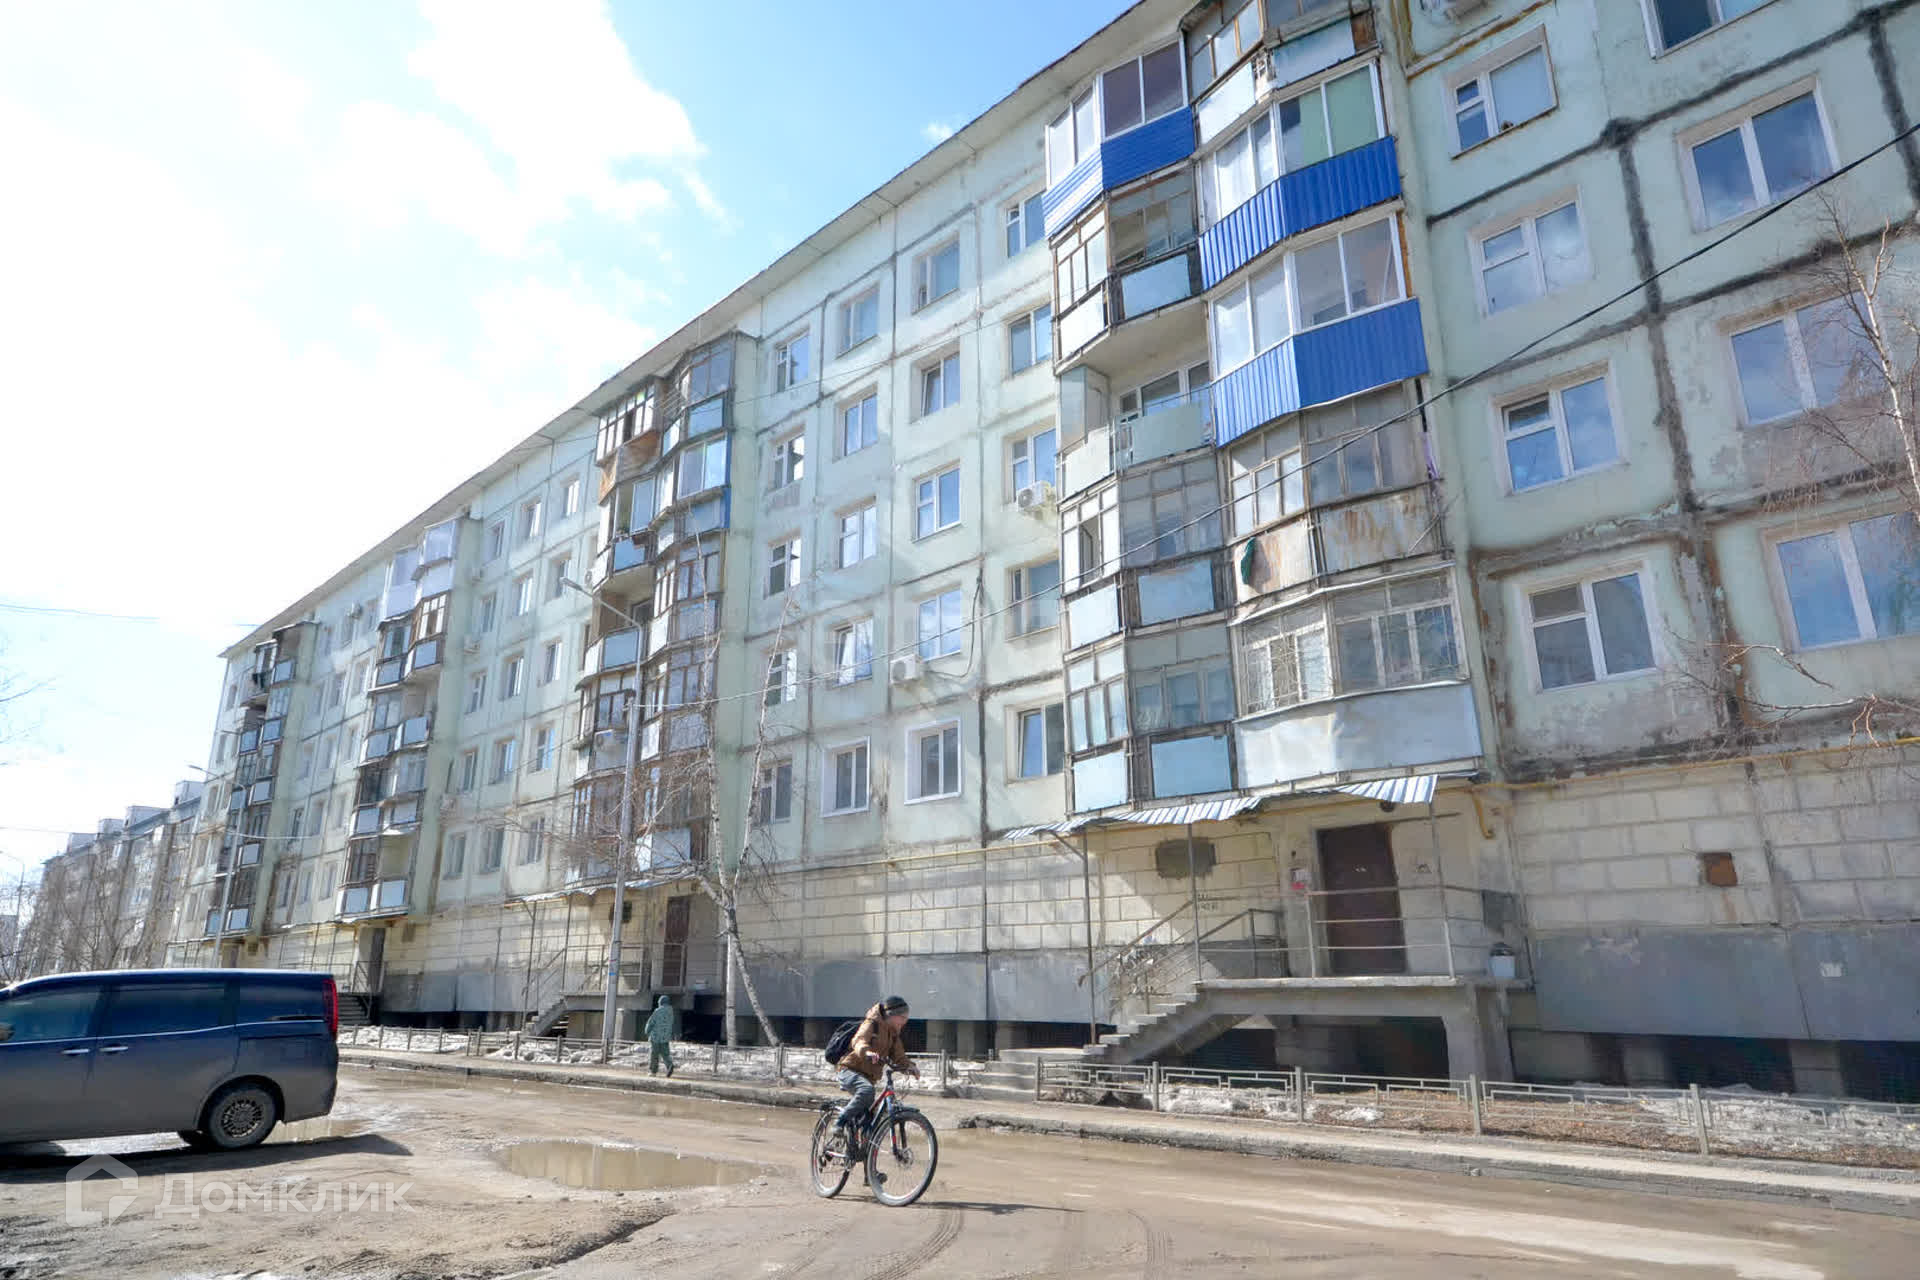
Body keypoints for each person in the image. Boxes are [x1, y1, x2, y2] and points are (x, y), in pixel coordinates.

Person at [833, 994, 918, 1149]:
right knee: (867, 1091)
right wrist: (866, 1052)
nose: (905, 1021)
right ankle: (840, 1122)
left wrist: (910, 1067)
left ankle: (864, 1155)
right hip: (849, 1070)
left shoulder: (893, 1034)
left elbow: (899, 1057)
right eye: (903, 1017)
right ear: (892, 1015)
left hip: (868, 1077)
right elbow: (858, 1041)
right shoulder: (871, 1024)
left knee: (870, 1119)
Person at [643, 994, 677, 1078]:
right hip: (665, 1037)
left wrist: (647, 1031)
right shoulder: (671, 1012)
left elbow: (651, 1022)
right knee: (665, 1054)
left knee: (654, 1054)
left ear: (660, 1002)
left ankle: (653, 1071)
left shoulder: (657, 1011)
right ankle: (669, 1065)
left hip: (656, 1037)